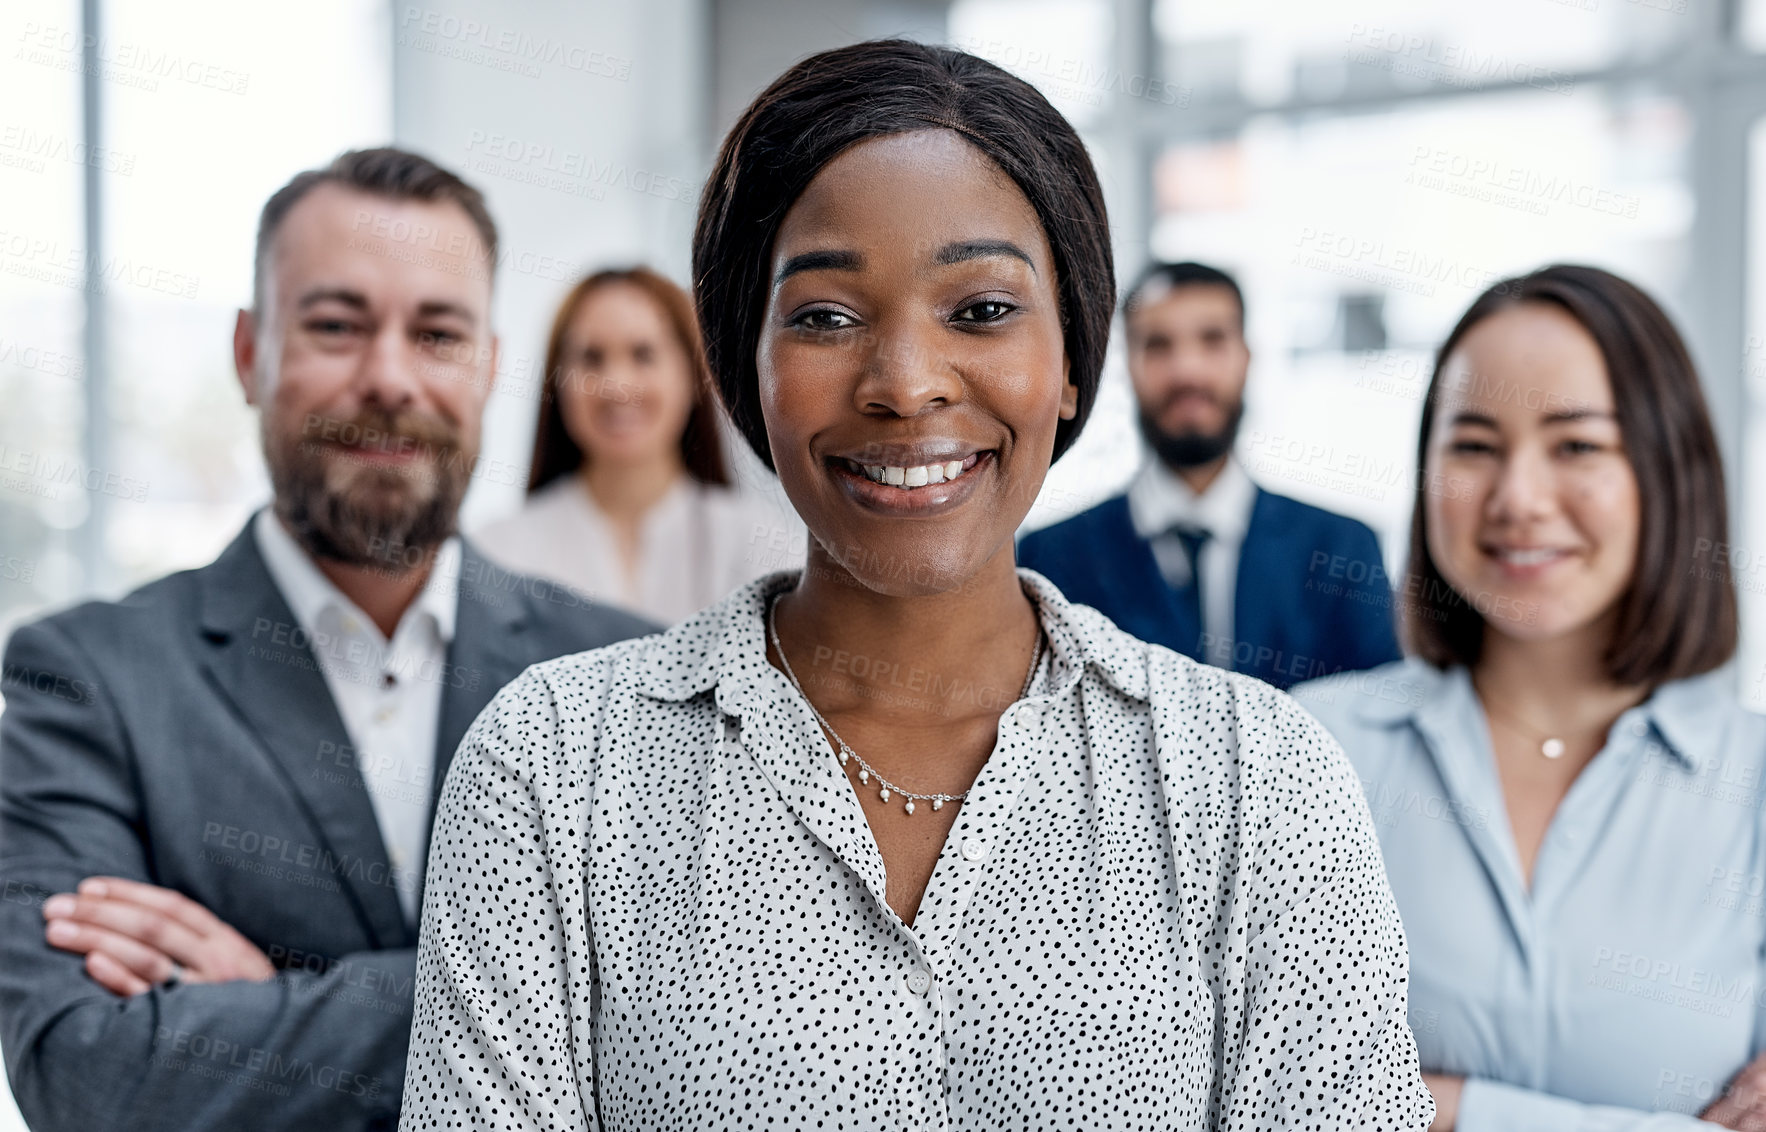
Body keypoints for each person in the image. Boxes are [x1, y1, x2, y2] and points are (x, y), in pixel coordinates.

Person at [404, 40, 1432, 1130]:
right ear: (745, 369)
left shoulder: (1257, 782)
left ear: (1073, 357)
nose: (904, 383)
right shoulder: (553, 767)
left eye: (980, 309)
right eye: (824, 316)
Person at [0, 148, 654, 1132]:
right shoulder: (88, 679)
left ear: (487, 365)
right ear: (249, 353)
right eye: (337, 326)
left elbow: (711, 1029)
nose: (388, 377)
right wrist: (554, 999)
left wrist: (253, 1018)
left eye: (436, 332)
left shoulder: (631, 676)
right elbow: (85, 1072)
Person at [1292, 264, 1766, 1129]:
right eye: (1473, 445)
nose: (1518, 499)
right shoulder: (1309, 753)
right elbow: (1263, 1097)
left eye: (1576, 445)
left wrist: (1437, 1105)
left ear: (1668, 470)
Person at [1017, 261, 1399, 689]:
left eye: (1212, 340)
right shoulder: (1049, 559)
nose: (1187, 371)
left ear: (1246, 358)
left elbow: (1377, 735)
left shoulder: (1342, 553)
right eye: (1158, 345)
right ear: (1128, 368)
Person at [474, 267, 801, 624]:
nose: (617, 385)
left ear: (693, 376)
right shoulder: (498, 553)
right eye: (591, 358)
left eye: (643, 354)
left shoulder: (764, 546)